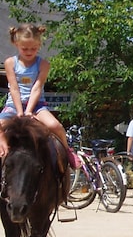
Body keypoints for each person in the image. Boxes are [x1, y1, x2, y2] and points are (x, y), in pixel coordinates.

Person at [0, 23, 80, 168]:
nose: (29, 51)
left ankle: (68, 151)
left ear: (39, 45)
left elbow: (37, 88)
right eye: (25, 48)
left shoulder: (43, 64)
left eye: (34, 48)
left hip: (37, 105)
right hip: (13, 105)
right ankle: (3, 146)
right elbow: (14, 89)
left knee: (55, 125)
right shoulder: (10, 63)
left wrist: (29, 111)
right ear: (16, 43)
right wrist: (19, 112)